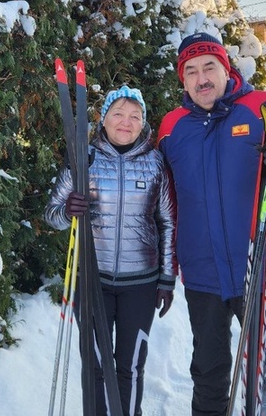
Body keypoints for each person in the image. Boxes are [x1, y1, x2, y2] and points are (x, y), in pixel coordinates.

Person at [156, 32, 266, 416]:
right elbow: (161, 198)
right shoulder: (171, 128)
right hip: (203, 277)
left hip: (264, 268)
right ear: (182, 80)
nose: (202, 79)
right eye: (191, 71)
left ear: (225, 67)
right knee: (210, 378)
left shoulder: (264, 108)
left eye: (209, 67)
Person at [44, 85, 176, 416]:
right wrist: (68, 210)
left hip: (141, 284)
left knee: (130, 367)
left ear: (143, 122)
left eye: (135, 116)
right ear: (103, 120)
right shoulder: (83, 160)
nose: (126, 122)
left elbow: (168, 223)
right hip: (92, 281)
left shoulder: (156, 164)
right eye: (118, 114)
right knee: (96, 366)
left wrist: (167, 279)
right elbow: (52, 216)